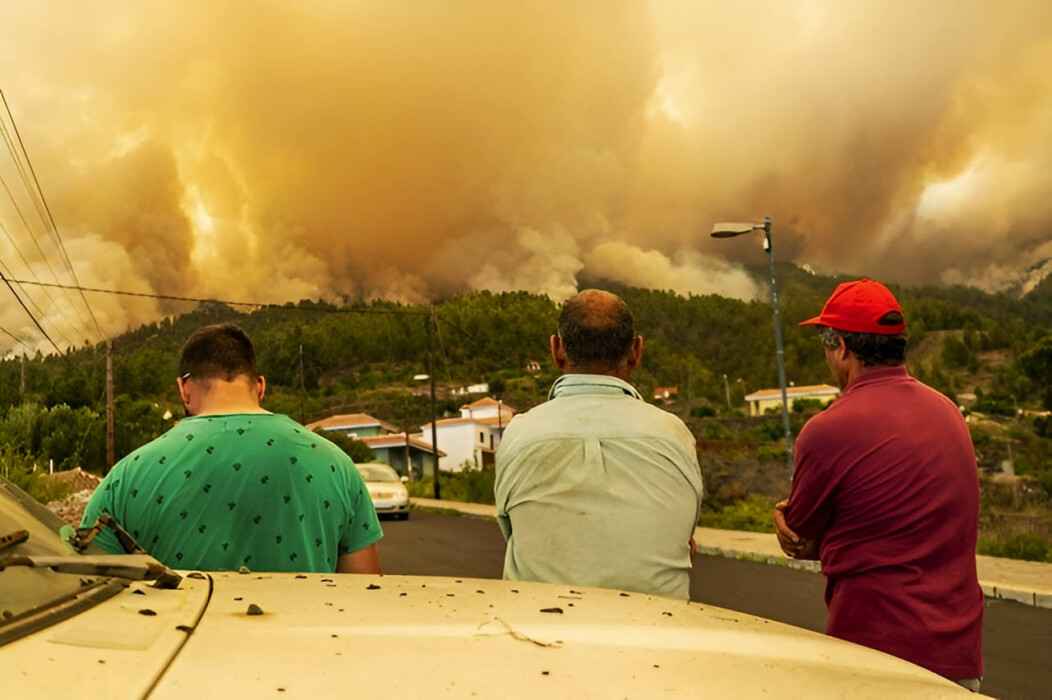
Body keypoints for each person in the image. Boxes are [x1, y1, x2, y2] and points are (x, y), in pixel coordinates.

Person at [773, 279, 983, 690]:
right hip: (959, 657)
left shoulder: (828, 429)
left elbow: (800, 534)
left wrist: (783, 520)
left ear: (841, 348)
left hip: (876, 659)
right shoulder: (948, 412)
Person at [81, 323, 382, 574]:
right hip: (305, 630)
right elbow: (365, 595)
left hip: (181, 630)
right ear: (260, 386)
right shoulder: (336, 465)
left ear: (184, 389)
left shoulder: (126, 477)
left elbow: (87, 587)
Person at [495, 289, 703, 600]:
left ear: (557, 350)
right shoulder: (674, 434)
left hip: (539, 623)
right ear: (636, 351)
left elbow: (515, 530)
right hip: (657, 625)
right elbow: (683, 537)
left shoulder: (520, 433)